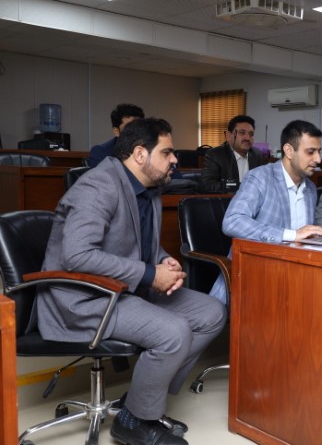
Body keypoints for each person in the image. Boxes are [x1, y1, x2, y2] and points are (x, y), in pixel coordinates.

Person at [36, 118, 227, 445]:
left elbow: (137, 242)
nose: (175, 159)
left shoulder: (149, 187)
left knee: (212, 313)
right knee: (173, 331)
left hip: (125, 288)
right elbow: (78, 255)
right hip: (86, 298)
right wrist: (151, 274)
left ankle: (139, 402)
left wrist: (162, 259)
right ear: (140, 154)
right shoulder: (98, 186)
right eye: (166, 152)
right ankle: (136, 422)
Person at [208, 120, 322, 304]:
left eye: (319, 151)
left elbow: (302, 237)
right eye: (310, 152)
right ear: (289, 151)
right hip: (257, 276)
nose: (317, 159)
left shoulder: (310, 188)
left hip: (294, 274)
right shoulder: (260, 177)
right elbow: (232, 221)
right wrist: (291, 235)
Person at [197, 114, 267, 193]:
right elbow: (206, 185)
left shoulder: (257, 155)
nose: (247, 138)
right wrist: (237, 186)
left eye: (251, 134)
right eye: (242, 133)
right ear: (228, 136)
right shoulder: (215, 155)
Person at [87, 103, 144, 167]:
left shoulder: (149, 148)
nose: (135, 131)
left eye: (139, 126)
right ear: (116, 131)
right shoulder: (101, 152)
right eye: (129, 127)